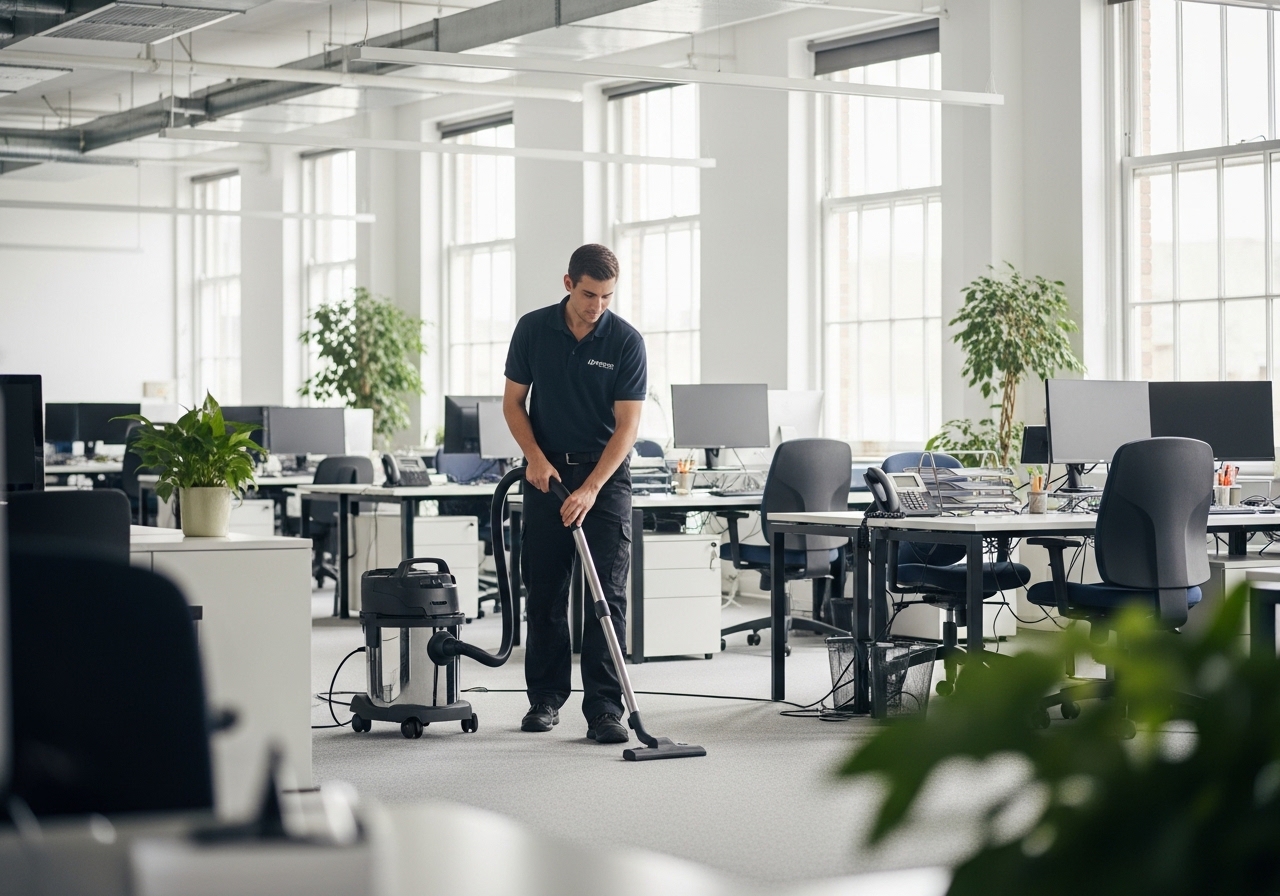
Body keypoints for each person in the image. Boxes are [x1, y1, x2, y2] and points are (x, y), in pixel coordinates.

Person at [502, 244, 646, 744]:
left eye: (607, 296)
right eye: (589, 294)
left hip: (602, 482)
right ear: (568, 283)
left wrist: (590, 488)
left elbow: (626, 428)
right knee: (544, 592)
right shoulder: (533, 329)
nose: (597, 306)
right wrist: (535, 459)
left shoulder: (626, 341)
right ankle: (545, 699)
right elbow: (513, 403)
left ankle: (605, 708)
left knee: (607, 595)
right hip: (544, 477)